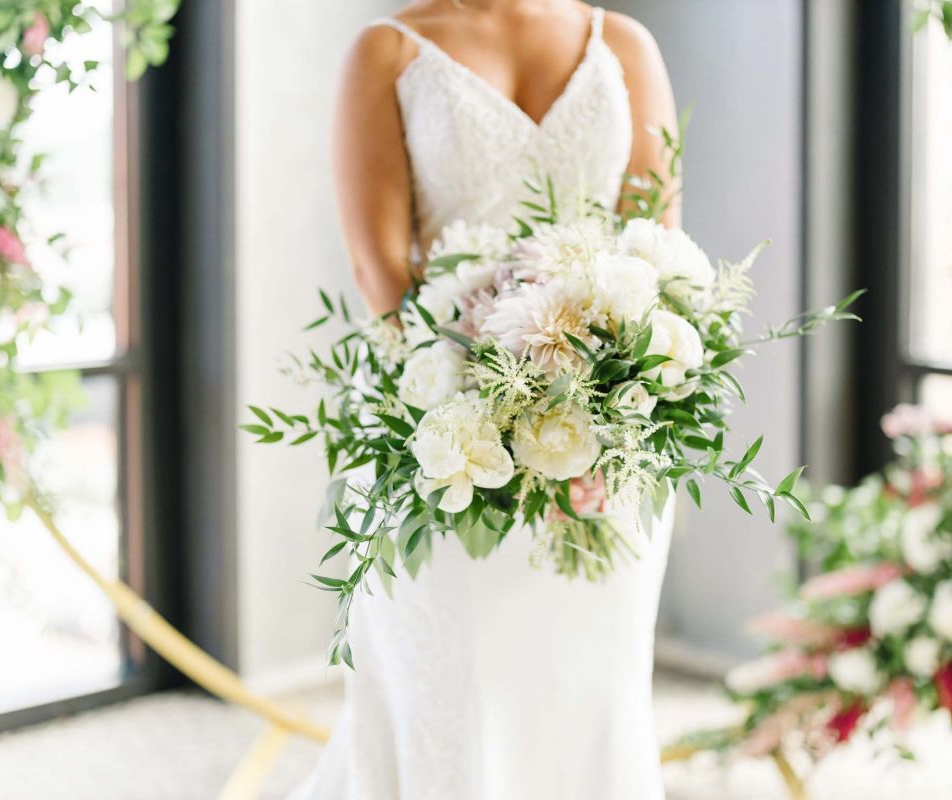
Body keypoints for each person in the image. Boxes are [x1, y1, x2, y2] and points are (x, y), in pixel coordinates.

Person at [291, 2, 680, 797]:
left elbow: (655, 246)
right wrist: (493, 405)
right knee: (455, 692)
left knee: (588, 693)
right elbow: (380, 273)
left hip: (605, 441)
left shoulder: (624, 45)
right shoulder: (389, 52)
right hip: (446, 435)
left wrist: (599, 402)